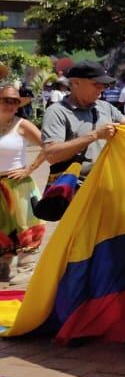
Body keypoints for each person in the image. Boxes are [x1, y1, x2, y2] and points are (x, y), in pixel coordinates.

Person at [40, 62, 125, 181]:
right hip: (74, 188)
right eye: (96, 84)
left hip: (106, 184)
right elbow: (52, 155)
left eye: (104, 85)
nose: (102, 88)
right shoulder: (56, 112)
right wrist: (95, 135)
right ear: (76, 83)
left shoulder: (105, 107)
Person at [0, 80, 47, 282]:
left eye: (14, 101)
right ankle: (3, 267)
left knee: (25, 224)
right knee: (2, 226)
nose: (10, 105)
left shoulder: (22, 124)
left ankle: (27, 268)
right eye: (5, 100)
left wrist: (29, 168)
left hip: (18, 184)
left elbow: (48, 146)